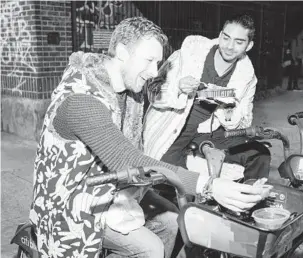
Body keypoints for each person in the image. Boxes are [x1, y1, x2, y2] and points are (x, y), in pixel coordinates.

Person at [29, 17, 270, 258]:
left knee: (174, 219)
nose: (154, 71)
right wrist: (209, 185)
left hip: (116, 190)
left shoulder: (129, 89)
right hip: (74, 203)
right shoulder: (82, 99)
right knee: (150, 249)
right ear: (123, 52)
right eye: (149, 60)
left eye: (158, 62)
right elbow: (126, 159)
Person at [143, 14, 271, 181]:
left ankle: (247, 202)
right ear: (219, 35)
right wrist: (178, 88)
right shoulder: (186, 56)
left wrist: (227, 109)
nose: (230, 46)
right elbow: (152, 91)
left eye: (239, 42)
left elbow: (245, 122)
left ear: (249, 46)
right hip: (174, 128)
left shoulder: (246, 76)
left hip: (209, 132)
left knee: (259, 154)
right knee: (176, 180)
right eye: (226, 38)